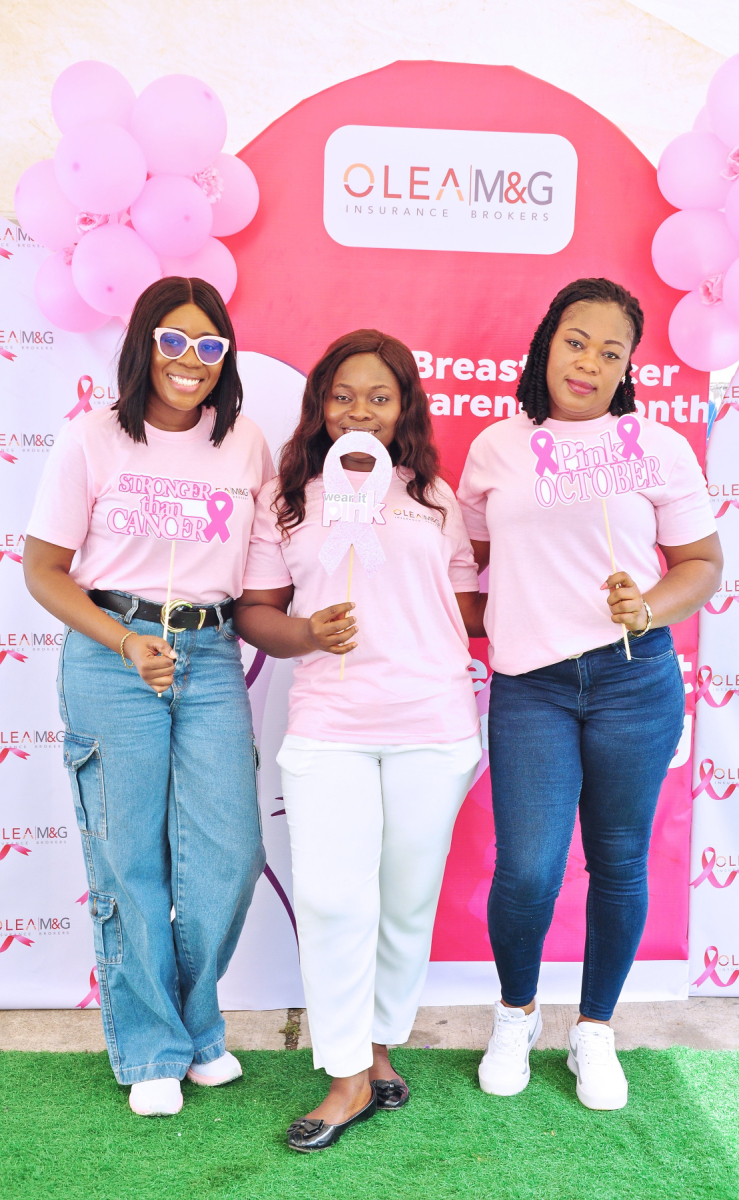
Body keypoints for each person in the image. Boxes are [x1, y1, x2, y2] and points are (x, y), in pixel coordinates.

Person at [457, 278, 722, 1111]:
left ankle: (594, 1028)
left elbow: (701, 565)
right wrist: (488, 614)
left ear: (627, 367)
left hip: (633, 678)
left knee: (617, 859)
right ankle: (515, 1014)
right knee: (527, 870)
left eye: (611, 352)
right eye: (576, 342)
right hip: (530, 686)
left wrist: (647, 606)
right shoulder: (496, 447)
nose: (589, 363)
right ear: (547, 343)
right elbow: (464, 563)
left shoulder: (657, 448)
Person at [24, 277, 271, 1117]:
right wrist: (125, 641)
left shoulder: (245, 444)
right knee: (128, 856)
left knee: (230, 853)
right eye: (173, 341)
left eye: (209, 345)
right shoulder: (91, 438)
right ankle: (153, 1045)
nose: (189, 360)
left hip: (209, 652)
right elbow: (43, 571)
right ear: (143, 345)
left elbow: (261, 576)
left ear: (224, 358)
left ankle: (194, 1022)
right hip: (113, 653)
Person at [235, 329, 485, 1151]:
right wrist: (307, 633)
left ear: (403, 406)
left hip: (431, 725)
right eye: (343, 396)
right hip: (330, 726)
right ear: (320, 404)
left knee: (405, 902)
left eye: (379, 397)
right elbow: (257, 614)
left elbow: (465, 607)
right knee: (333, 899)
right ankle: (344, 1072)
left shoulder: (434, 497)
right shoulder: (288, 498)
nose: (359, 411)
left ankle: (378, 1046)